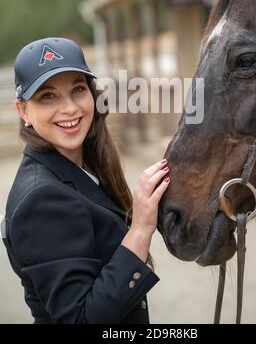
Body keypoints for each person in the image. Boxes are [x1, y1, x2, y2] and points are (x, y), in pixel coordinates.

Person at [2, 37, 170, 324]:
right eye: (47, 96)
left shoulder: (81, 169)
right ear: (23, 111)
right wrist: (140, 229)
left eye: (78, 89)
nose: (69, 108)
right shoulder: (42, 199)